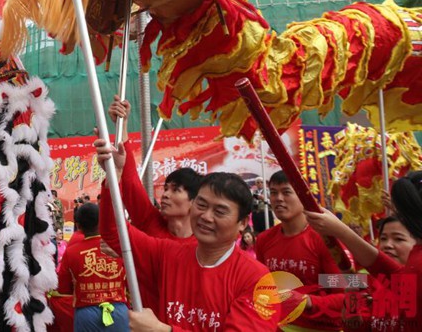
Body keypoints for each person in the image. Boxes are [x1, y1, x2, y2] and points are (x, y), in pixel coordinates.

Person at [97, 138, 278, 331]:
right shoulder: (167, 253)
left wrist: (162, 330)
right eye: (201, 205)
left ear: (242, 223)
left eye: (220, 211)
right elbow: (114, 231)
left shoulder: (258, 280)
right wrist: (114, 176)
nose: (206, 217)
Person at [305, 170, 422, 330]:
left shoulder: (405, 274)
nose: (388, 244)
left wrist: (307, 300)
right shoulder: (369, 279)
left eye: (399, 238)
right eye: (384, 238)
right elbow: (325, 282)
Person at [254, 170, 342, 330]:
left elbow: (349, 291)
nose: (278, 198)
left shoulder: (325, 240)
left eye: (286, 192)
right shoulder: (264, 239)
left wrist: (308, 300)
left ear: (304, 197)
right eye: (273, 193)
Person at [108, 97, 200, 242]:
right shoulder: (150, 223)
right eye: (166, 188)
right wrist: (122, 125)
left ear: (194, 202)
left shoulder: (207, 245)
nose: (165, 195)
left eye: (175, 190)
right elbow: (130, 182)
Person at [57, 202, 128, 331]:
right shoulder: (119, 249)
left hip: (86, 315)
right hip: (119, 312)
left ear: (78, 226)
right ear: (102, 222)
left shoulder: (71, 252)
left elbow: (63, 289)